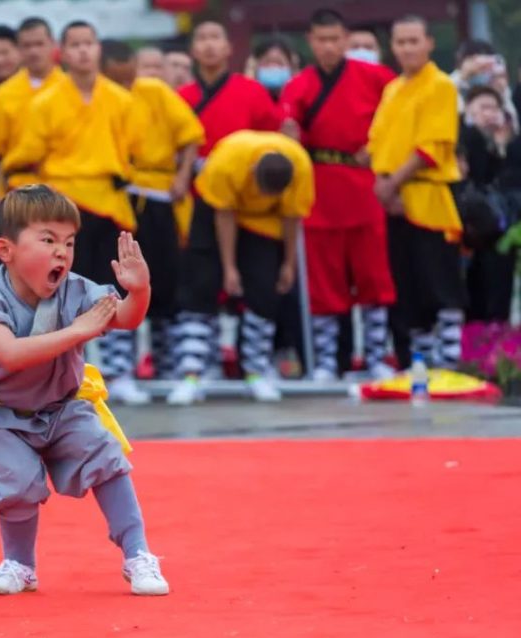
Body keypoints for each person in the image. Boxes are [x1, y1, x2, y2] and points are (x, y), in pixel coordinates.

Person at [0, 184, 168, 596]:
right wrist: (77, 331)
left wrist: (139, 290)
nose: (62, 253)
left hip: (64, 408)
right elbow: (11, 354)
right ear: (5, 250)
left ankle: (138, 555)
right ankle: (19, 565)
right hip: (0, 416)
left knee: (106, 458)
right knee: (16, 485)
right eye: (48, 239)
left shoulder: (78, 289)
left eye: (69, 242)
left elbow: (124, 317)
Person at [3, 22, 148, 405]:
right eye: (75, 45)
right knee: (58, 292)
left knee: (113, 288)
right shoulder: (45, 102)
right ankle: (59, 373)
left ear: (98, 49)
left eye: (89, 44)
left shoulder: (121, 99)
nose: (83, 52)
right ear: (61, 53)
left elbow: (137, 152)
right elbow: (21, 159)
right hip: (62, 206)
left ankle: (120, 372)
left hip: (109, 202)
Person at [280, 8, 397, 381]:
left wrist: (382, 150)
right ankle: (328, 362)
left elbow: (400, 118)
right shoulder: (299, 85)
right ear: (311, 41)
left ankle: (377, 357)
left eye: (335, 39)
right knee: (323, 282)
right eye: (321, 39)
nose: (329, 46)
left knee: (374, 278)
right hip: (318, 188)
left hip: (363, 185)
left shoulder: (377, 78)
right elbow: (287, 126)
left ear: (346, 40)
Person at [173, 130, 314, 404]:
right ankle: (191, 374)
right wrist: (229, 268)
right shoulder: (228, 162)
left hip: (264, 222)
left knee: (264, 291)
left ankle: (256, 373)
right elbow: (225, 215)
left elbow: (291, 217)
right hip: (214, 210)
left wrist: (288, 264)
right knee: (201, 285)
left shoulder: (301, 167)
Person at [101, 40, 205, 391]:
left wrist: (182, 175)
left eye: (129, 72)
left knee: (168, 283)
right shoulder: (100, 95)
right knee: (117, 285)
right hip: (117, 196)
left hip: (160, 193)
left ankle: (171, 368)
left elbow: (190, 135)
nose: (125, 80)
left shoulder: (155, 91)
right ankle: (119, 373)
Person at [368, 15, 465, 369]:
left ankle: (451, 361)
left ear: (429, 43)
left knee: (441, 284)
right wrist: (383, 182)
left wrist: (392, 183)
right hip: (393, 200)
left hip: (428, 196)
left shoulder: (440, 85)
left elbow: (431, 147)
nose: (407, 48)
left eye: (414, 41)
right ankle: (422, 363)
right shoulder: (392, 89)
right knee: (408, 289)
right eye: (400, 42)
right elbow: (377, 143)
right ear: (392, 47)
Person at [0, 17, 67, 194]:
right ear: (18, 49)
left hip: (64, 188)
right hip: (19, 187)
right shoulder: (4, 93)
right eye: (27, 45)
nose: (33, 51)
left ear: (53, 45)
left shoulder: (70, 88)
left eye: (39, 44)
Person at [458, 86, 517, 323]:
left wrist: (501, 147)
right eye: (483, 107)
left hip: (500, 231)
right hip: (468, 229)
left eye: (494, 108)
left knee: (498, 295)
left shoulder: (509, 142)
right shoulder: (463, 137)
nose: (490, 113)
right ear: (469, 111)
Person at [179, 22, 282, 159]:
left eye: (215, 37)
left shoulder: (253, 91)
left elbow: (271, 138)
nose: (209, 45)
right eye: (202, 38)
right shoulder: (181, 96)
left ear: (228, 48)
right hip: (194, 176)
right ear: (193, 51)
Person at [251, 36, 297, 100]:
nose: (273, 69)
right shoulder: (245, 101)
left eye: (279, 63)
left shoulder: (300, 103)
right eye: (267, 63)